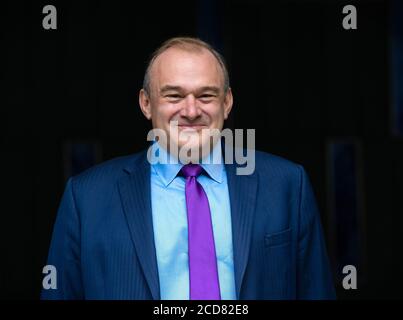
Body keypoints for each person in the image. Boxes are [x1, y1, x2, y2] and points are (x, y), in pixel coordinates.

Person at [41, 37, 336, 300]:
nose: (191, 111)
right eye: (174, 96)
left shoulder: (286, 184)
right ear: (146, 103)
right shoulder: (87, 198)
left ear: (227, 102)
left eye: (206, 95)